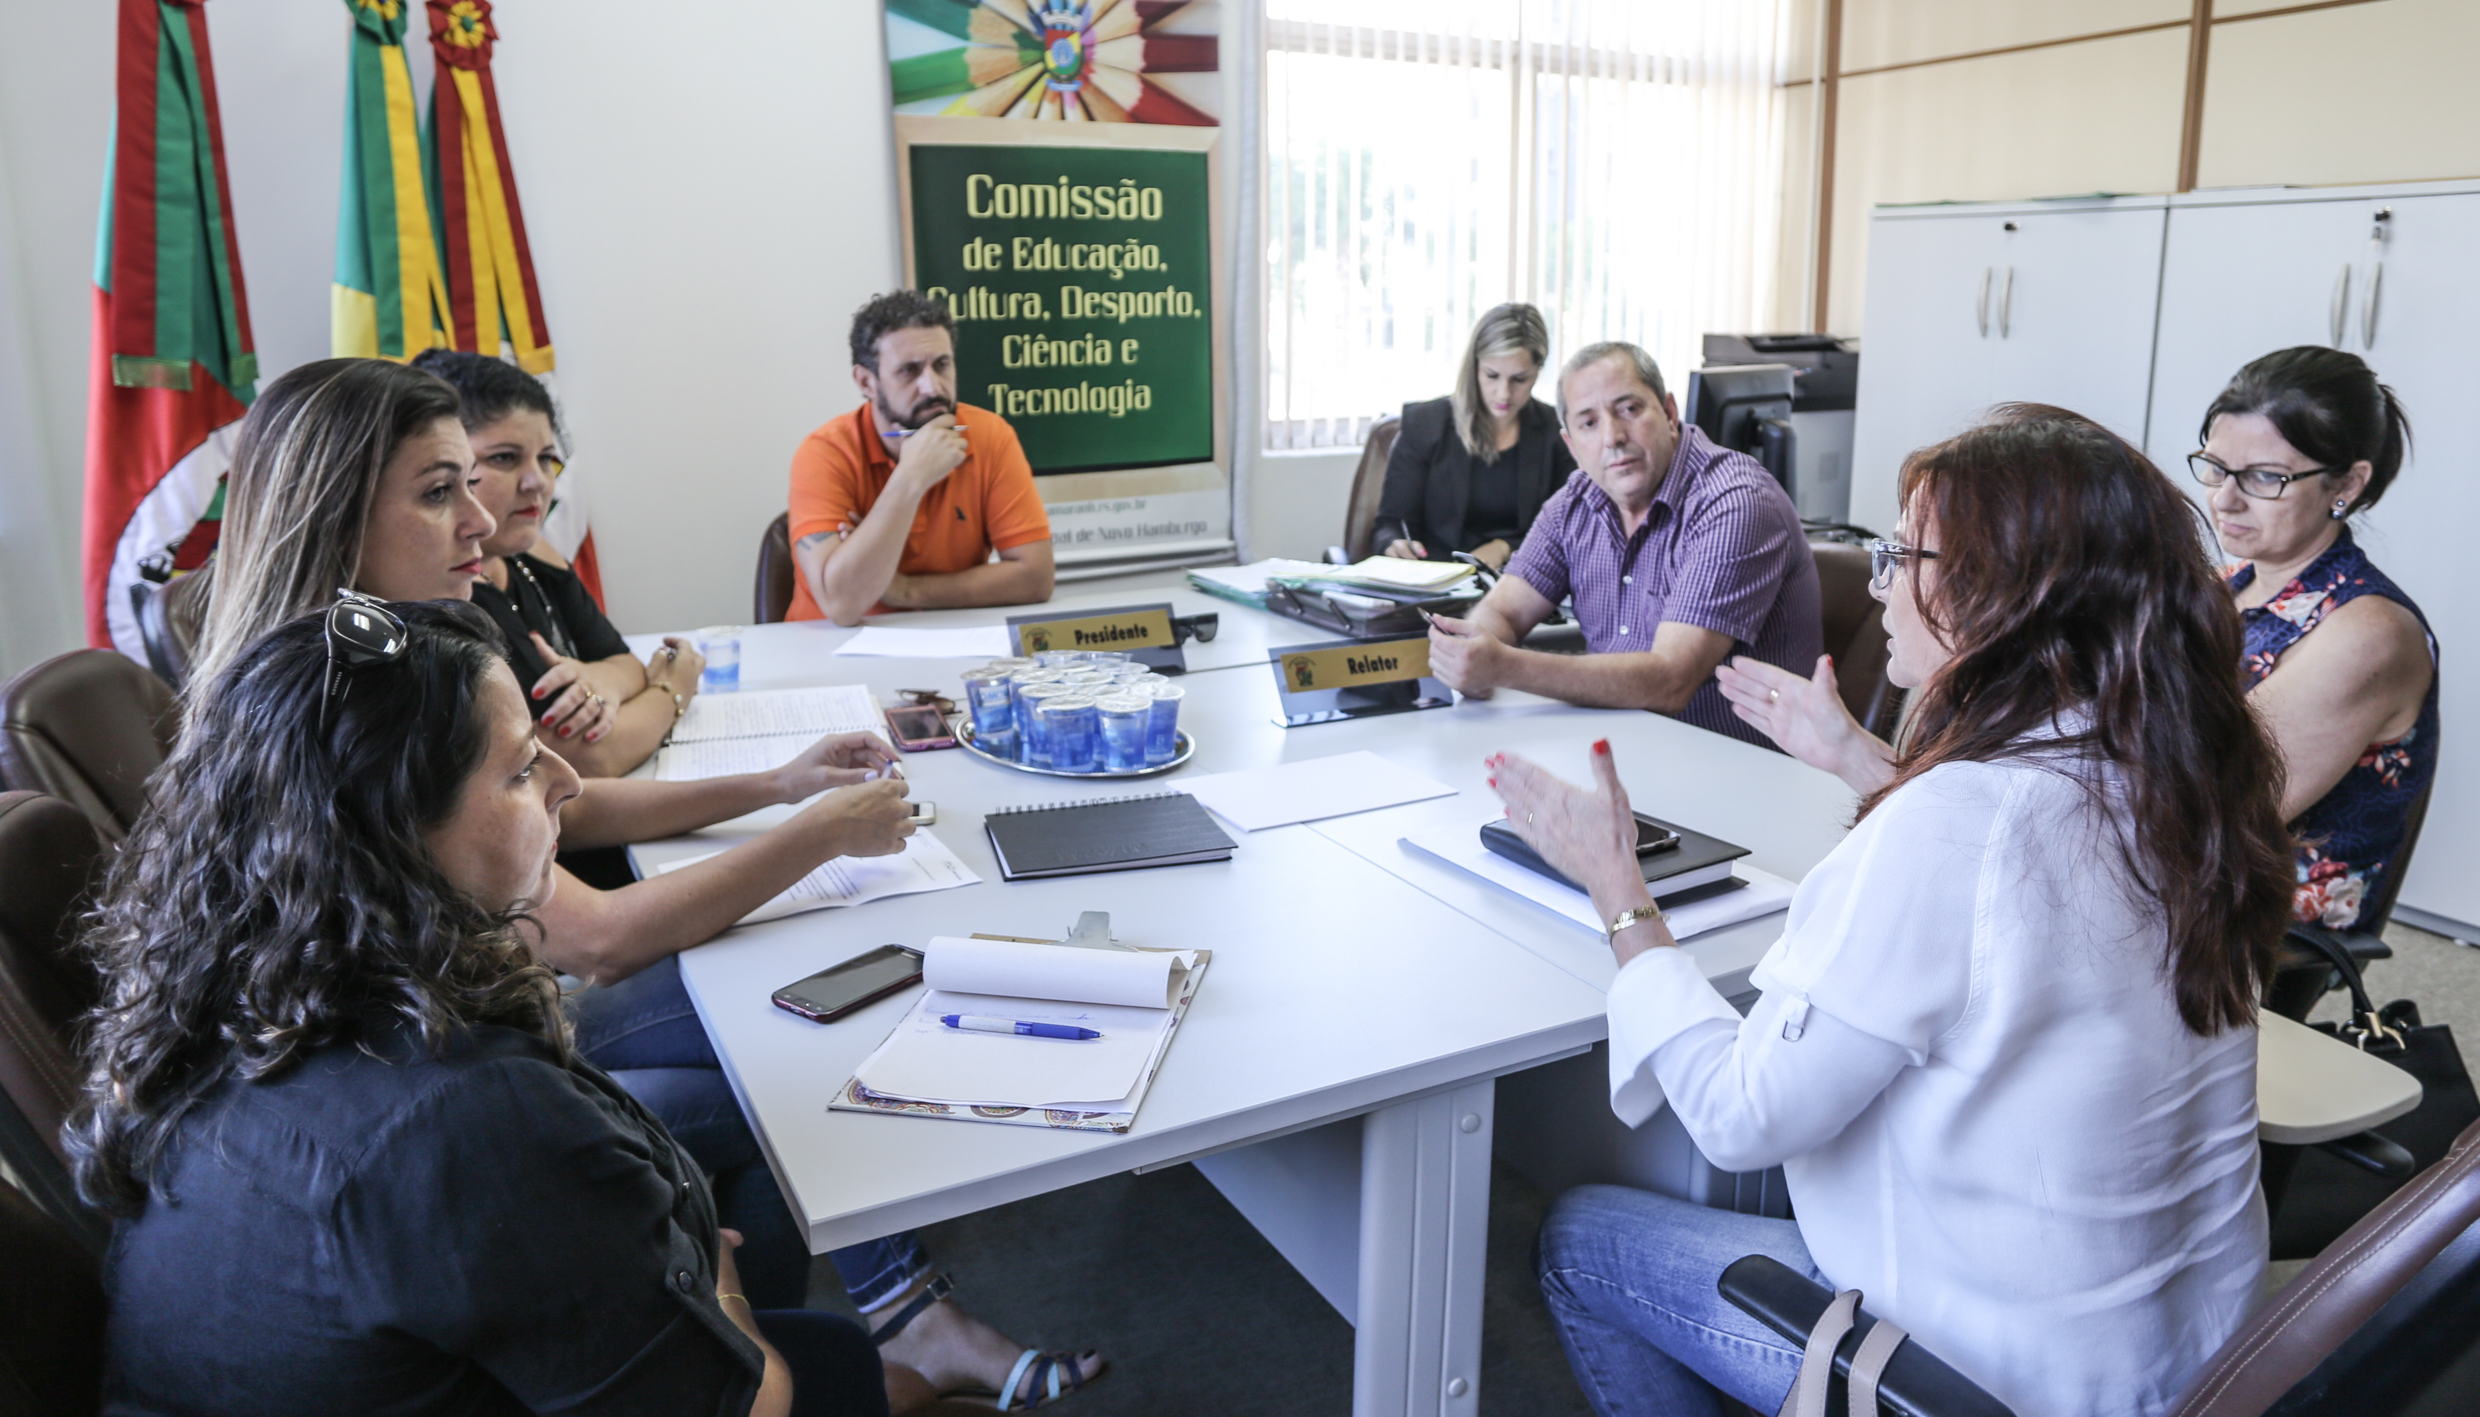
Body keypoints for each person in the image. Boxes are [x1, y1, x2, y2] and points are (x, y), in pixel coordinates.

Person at [187, 357, 1106, 1409]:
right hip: (483, 1056)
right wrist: (806, 832)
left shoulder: (401, 649)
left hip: (462, 1050)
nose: (488, 518)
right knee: (792, 1036)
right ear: (334, 514)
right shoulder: (330, 716)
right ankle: (813, 1333)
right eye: (445, 490)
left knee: (795, 1023)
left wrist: (773, 782)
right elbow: (589, 939)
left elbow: (568, 789)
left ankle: (852, 1326)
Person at [1495, 405, 2295, 1417]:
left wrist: (1616, 886)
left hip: (1987, 1382)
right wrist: (1860, 762)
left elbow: (1741, 1117)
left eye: (1902, 554)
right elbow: (2024, 872)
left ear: (1994, 596)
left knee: (1580, 1238)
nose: (1878, 582)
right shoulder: (2178, 768)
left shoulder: (1956, 824)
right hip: (2193, 1360)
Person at [71, 599, 890, 1415]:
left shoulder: (225, 992)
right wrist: (718, 1283)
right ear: (393, 832)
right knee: (833, 1365)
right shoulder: (468, 1118)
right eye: (523, 768)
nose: (567, 781)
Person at [1720, 349, 2436, 943]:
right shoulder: (2223, 585)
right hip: (2110, 887)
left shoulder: (2370, 631)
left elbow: (2186, 820)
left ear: (2348, 483)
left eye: (2265, 478)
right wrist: (1865, 752)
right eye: (2215, 468)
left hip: (2224, 936)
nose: (2225, 499)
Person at [1425, 341, 1821, 749]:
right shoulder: (1575, 504)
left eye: (1629, 410)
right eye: (1589, 423)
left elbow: (1670, 680)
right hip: (1626, 753)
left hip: (1740, 772)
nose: (1613, 437)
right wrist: (1473, 651)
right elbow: (1503, 610)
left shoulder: (1734, 502)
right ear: (1572, 445)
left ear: (1668, 413)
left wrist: (1503, 667)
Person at [412, 347, 704, 777]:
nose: (538, 482)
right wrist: (672, 689)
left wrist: (601, 680)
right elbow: (578, 763)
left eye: (546, 458)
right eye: (504, 458)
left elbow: (621, 661)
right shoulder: (440, 593)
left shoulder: (532, 552)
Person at [789, 291, 1055, 624]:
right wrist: (911, 478)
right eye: (909, 371)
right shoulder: (825, 452)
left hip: (951, 637)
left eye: (942, 365)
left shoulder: (989, 436)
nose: (932, 387)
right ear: (866, 382)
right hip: (829, 653)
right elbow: (842, 606)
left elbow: (1036, 578)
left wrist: (903, 590)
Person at [1374, 302, 1574, 569]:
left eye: (1519, 379)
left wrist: (1504, 547)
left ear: (1538, 369)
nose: (1504, 393)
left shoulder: (1555, 431)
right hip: (1434, 576)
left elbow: (1569, 528)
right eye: (1492, 375)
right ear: (1474, 367)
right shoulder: (1426, 424)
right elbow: (1391, 524)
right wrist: (1395, 543)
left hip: (1519, 582)